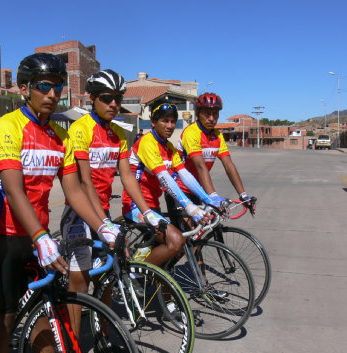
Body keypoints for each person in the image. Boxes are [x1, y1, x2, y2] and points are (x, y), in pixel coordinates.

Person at [0, 53, 118, 353]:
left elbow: (74, 190)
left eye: (58, 87)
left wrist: (102, 225)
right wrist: (41, 236)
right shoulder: (9, 126)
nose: (53, 94)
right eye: (44, 86)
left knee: (44, 317)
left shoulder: (60, 136)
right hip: (1, 235)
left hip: (35, 237)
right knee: (4, 324)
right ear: (24, 88)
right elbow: (13, 190)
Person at [60, 69, 184, 302]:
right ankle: (74, 337)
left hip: (102, 209)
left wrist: (148, 213)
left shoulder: (118, 133)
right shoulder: (80, 128)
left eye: (119, 98)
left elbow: (127, 177)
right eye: (107, 98)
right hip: (80, 213)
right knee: (81, 282)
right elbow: (85, 182)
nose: (114, 103)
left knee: (106, 279)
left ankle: (104, 336)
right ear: (92, 99)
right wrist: (104, 224)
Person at [122, 102, 220, 265]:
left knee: (167, 250)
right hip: (135, 205)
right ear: (153, 122)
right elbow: (165, 179)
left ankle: (156, 279)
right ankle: (137, 276)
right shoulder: (147, 142)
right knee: (176, 240)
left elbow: (185, 175)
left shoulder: (168, 147)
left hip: (153, 205)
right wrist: (189, 206)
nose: (170, 125)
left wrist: (210, 199)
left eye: (173, 121)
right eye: (165, 121)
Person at [173, 92, 253, 223]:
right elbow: (200, 167)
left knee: (207, 226)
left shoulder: (217, 135)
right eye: (207, 113)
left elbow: (229, 165)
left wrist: (243, 195)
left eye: (215, 113)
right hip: (180, 189)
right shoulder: (191, 132)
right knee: (187, 237)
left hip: (198, 190)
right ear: (198, 113)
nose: (211, 118)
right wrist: (213, 196)